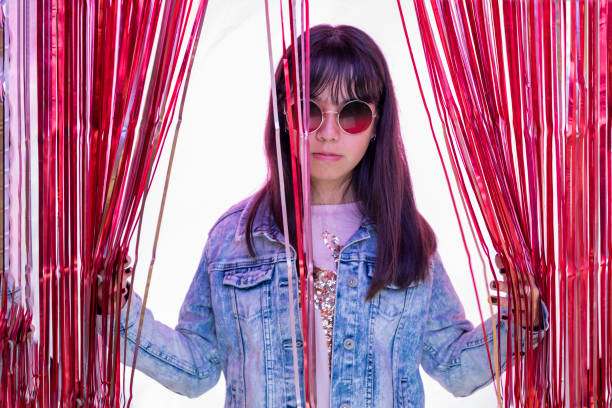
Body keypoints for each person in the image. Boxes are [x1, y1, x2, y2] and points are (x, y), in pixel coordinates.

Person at [107, 24, 548, 407]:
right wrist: (119, 313)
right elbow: (196, 368)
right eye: (310, 110)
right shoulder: (236, 238)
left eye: (352, 114)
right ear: (285, 114)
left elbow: (453, 365)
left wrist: (521, 320)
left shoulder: (403, 235)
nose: (329, 132)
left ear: (378, 125)